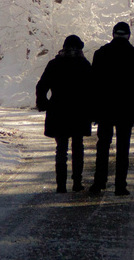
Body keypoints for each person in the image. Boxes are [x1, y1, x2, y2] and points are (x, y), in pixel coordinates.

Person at [88, 21, 134, 195]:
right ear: (128, 35)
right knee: (123, 147)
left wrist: (93, 110)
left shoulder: (101, 54)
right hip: (126, 109)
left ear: (113, 34)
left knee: (103, 145)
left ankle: (99, 181)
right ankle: (120, 185)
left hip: (105, 109)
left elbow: (93, 85)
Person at [35, 35, 93, 192]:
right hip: (79, 113)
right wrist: (92, 110)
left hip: (58, 112)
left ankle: (61, 184)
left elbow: (41, 86)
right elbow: (92, 90)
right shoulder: (84, 65)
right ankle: (77, 182)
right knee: (77, 147)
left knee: (61, 148)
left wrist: (43, 104)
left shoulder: (54, 64)